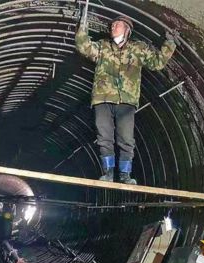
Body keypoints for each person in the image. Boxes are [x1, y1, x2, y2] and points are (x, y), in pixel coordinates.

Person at [76, 16, 177, 184]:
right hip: (102, 98)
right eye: (112, 25)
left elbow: (157, 63)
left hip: (126, 101)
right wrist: (82, 28)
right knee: (104, 138)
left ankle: (125, 175)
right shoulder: (102, 46)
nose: (113, 27)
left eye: (118, 25)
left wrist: (170, 43)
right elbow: (84, 47)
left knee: (126, 139)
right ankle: (108, 173)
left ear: (127, 30)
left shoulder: (138, 49)